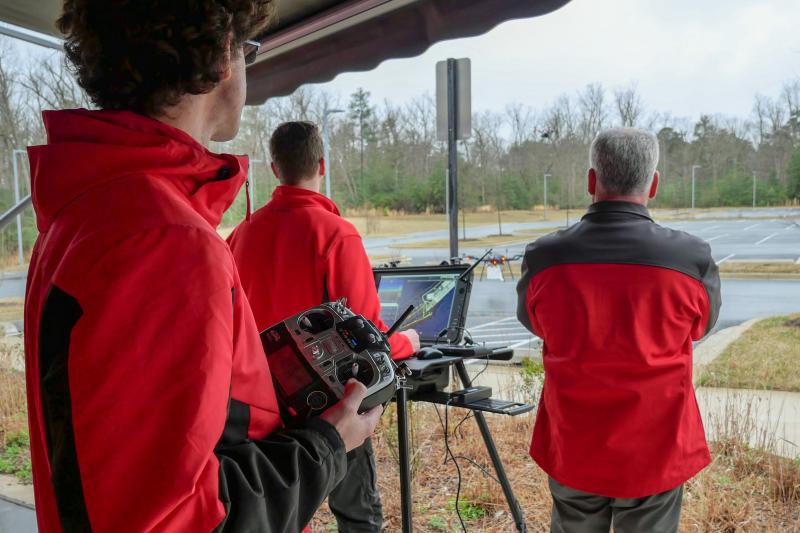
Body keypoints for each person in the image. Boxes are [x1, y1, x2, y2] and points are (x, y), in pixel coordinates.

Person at [24, 2, 381, 532]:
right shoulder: (165, 238)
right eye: (248, 51)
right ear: (220, 59)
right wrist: (329, 443)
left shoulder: (88, 211)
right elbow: (177, 519)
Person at [516, 128, 721, 533]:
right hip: (656, 445)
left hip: (574, 439)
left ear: (591, 181)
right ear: (654, 184)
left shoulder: (544, 257)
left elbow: (534, 322)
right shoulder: (690, 258)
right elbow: (700, 327)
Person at [228, 120, 420, 533]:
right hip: (329, 409)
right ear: (322, 165)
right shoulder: (337, 235)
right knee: (357, 518)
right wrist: (411, 341)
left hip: (258, 409)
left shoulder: (240, 235)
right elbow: (371, 340)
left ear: (276, 169)